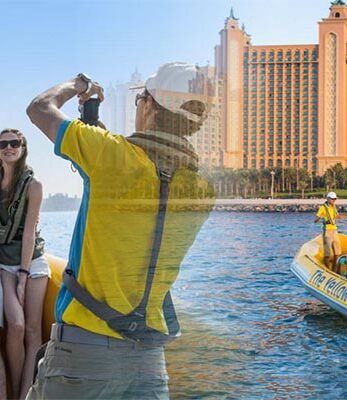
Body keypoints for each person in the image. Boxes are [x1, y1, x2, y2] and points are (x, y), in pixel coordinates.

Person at [25, 64, 215, 399]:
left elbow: (39, 108)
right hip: (149, 365)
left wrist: (77, 84)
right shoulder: (201, 190)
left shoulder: (111, 158)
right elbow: (138, 168)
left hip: (82, 358)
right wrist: (93, 122)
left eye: (141, 98)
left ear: (149, 107)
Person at [0, 128, 46, 399]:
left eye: (14, 143)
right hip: (4, 263)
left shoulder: (34, 185)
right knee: (15, 327)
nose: (8, 148)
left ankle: (26, 394)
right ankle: (15, 391)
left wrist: (24, 275)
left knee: (32, 330)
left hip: (32, 261)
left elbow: (29, 233)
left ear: (22, 147)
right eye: (3, 144)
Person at [314, 192, 347, 272]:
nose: (334, 200)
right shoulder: (322, 208)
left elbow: (337, 217)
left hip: (334, 230)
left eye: (335, 199)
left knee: (337, 253)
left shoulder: (334, 207)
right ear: (328, 198)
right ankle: (327, 270)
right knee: (328, 254)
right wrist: (320, 217)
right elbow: (315, 220)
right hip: (327, 231)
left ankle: (335, 270)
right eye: (332, 199)